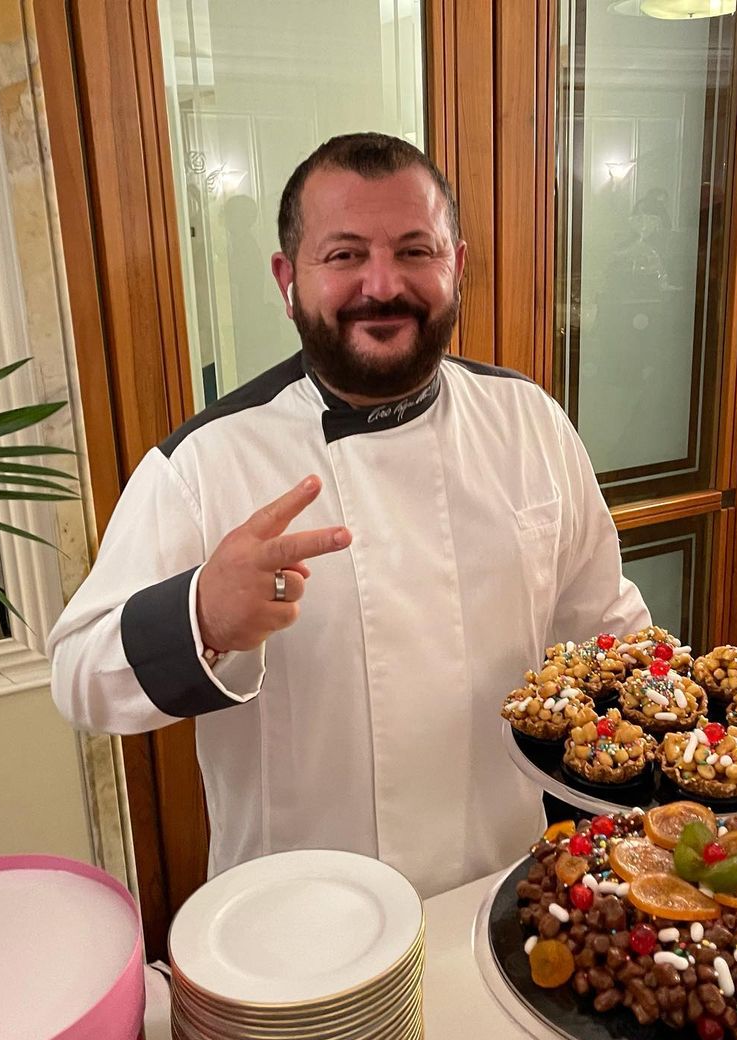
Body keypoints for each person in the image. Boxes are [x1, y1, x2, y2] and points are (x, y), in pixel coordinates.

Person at [48, 133, 650, 899]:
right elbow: (76, 676)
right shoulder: (206, 462)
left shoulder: (528, 421)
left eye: (413, 250)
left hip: (510, 895)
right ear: (287, 279)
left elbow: (608, 630)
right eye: (343, 255)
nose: (382, 283)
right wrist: (200, 615)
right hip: (299, 930)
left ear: (455, 264)